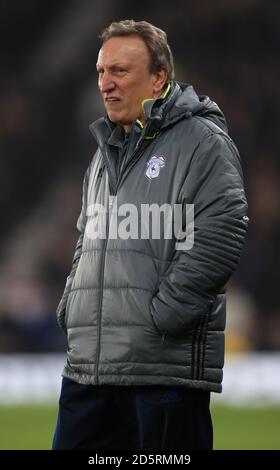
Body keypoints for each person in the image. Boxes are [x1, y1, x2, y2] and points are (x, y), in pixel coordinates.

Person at [52, 19, 248, 450]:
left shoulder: (202, 142)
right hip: (89, 369)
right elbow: (88, 238)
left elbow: (221, 232)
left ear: (159, 77)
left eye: (120, 71)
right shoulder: (105, 151)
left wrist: (162, 318)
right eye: (101, 72)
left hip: (160, 369)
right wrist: (73, 305)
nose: (106, 84)